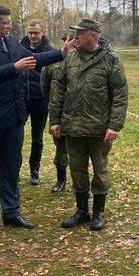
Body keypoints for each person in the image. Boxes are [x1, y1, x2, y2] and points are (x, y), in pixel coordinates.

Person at [0, 5, 73, 235]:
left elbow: (32, 59)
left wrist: (61, 53)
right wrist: (13, 68)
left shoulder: (11, 42)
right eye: (5, 22)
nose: (9, 26)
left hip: (13, 117)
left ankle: (11, 212)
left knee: (11, 168)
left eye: (10, 22)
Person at [49, 19, 128, 231]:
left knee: (100, 170)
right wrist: (55, 120)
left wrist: (114, 125)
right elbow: (58, 89)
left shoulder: (111, 60)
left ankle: (99, 212)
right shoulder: (71, 58)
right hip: (72, 128)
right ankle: (82, 211)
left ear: (93, 35)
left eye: (79, 34)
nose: (75, 39)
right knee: (77, 169)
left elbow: (120, 94)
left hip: (99, 129)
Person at [19, 20, 54, 186]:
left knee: (37, 137)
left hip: (40, 99)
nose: (33, 36)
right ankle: (15, 169)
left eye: (36, 33)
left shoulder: (50, 52)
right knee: (16, 136)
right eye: (30, 33)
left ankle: (34, 170)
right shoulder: (18, 48)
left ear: (42, 33)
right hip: (20, 99)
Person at [40, 36, 70, 192]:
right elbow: (44, 87)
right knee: (61, 148)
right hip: (59, 113)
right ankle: (61, 180)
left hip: (82, 115)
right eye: (68, 40)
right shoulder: (52, 62)